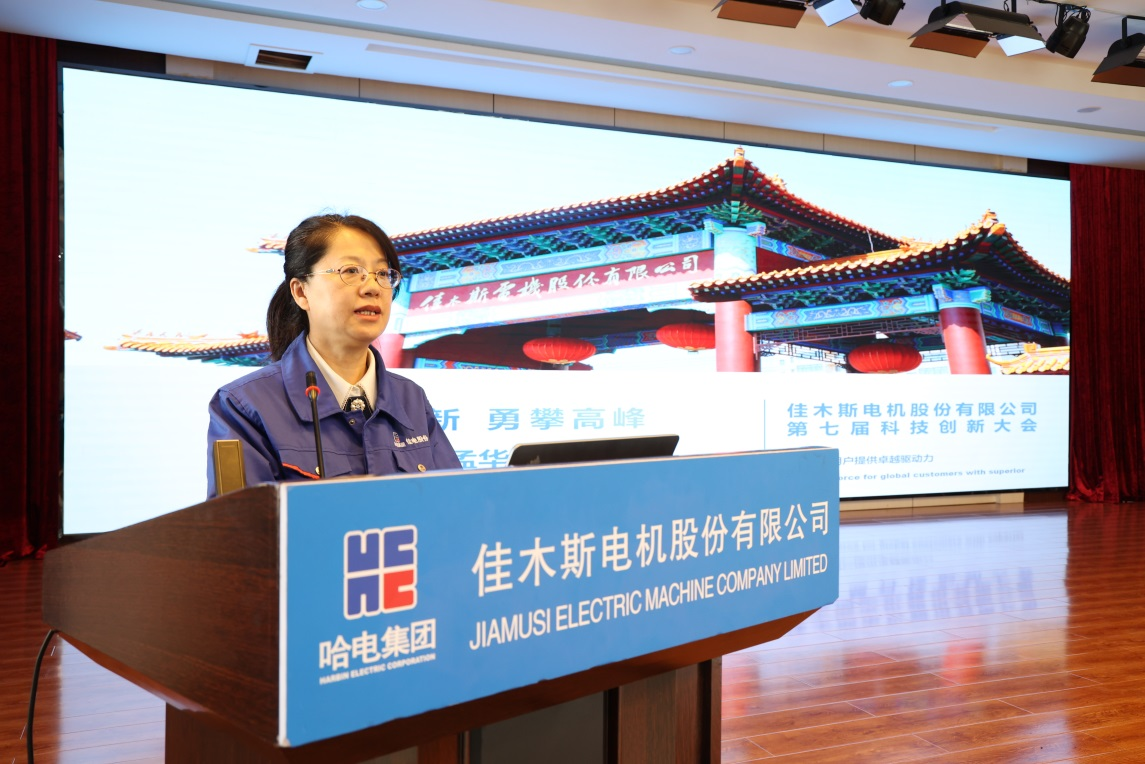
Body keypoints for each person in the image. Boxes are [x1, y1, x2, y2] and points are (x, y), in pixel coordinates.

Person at [206, 213, 461, 497]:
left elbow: (455, 503)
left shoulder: (410, 399)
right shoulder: (244, 405)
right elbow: (240, 522)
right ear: (301, 292)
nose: (372, 287)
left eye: (382, 274)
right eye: (350, 271)